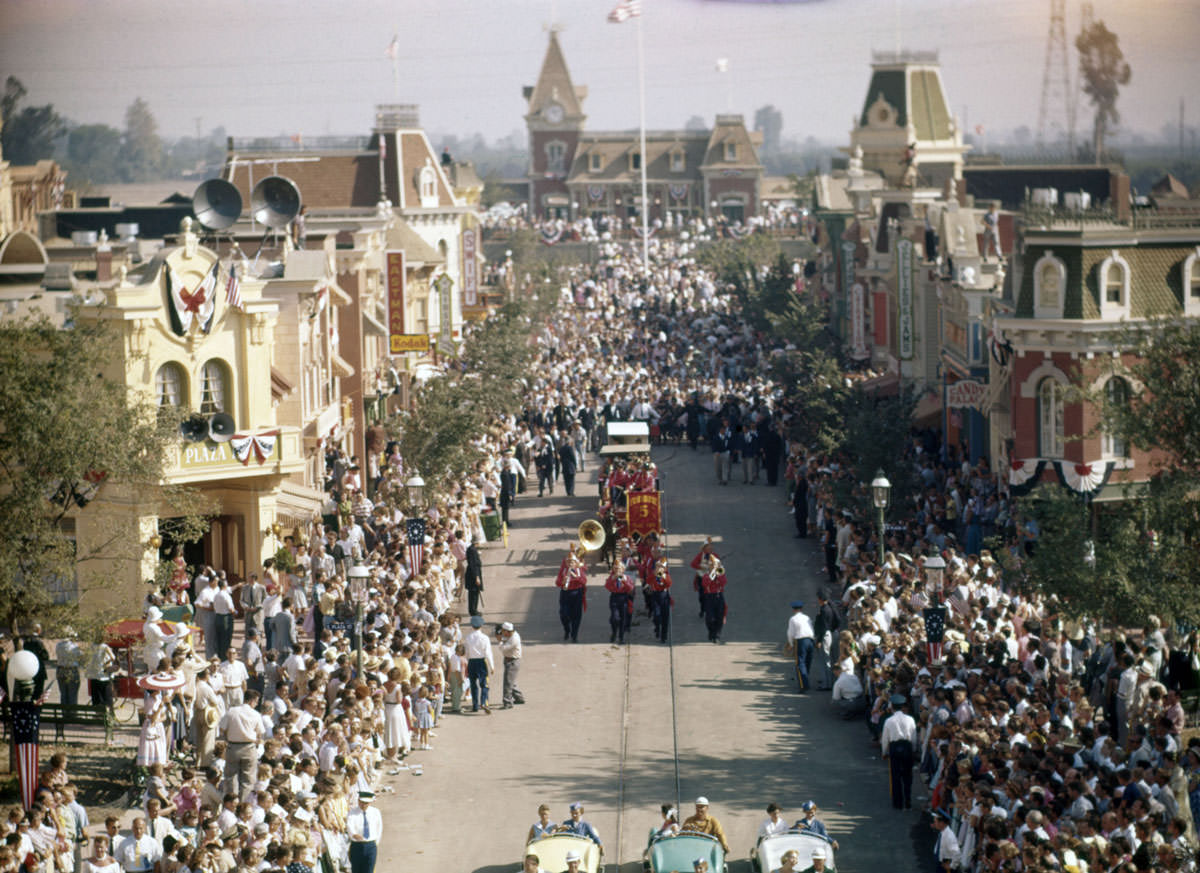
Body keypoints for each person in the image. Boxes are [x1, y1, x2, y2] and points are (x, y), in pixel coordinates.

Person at [220, 688, 265, 799]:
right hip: (249, 747)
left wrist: (228, 737)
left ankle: (232, 802)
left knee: (231, 778)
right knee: (248, 780)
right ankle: (243, 804)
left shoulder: (232, 711)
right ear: (252, 701)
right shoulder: (256, 714)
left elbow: (222, 728)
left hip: (233, 747)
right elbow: (260, 733)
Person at [880, 693, 918, 810]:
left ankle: (898, 803)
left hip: (894, 747)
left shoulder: (889, 721)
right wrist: (913, 750)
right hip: (906, 746)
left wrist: (884, 752)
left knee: (895, 777)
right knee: (907, 776)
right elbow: (913, 736)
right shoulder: (910, 719)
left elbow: (885, 738)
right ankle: (908, 801)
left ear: (892, 707)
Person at [556, 547, 588, 643]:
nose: (570, 564)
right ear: (566, 563)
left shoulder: (579, 571)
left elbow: (584, 581)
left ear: (576, 564)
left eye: (572, 562)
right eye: (568, 562)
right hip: (565, 593)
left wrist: (576, 577)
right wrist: (563, 581)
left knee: (576, 616)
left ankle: (574, 635)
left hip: (577, 593)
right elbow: (557, 583)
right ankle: (567, 630)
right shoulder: (563, 572)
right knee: (563, 614)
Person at [464, 614, 494, 713]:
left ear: (472, 626)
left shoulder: (468, 637)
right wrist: (491, 665)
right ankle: (484, 702)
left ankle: (475, 705)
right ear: (481, 626)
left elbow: (467, 652)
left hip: (472, 662)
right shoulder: (485, 638)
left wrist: (468, 661)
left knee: (473, 684)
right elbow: (488, 652)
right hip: (481, 661)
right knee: (484, 684)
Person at [347, 790, 382, 873]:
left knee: (369, 870)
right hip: (357, 845)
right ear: (358, 801)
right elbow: (349, 825)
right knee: (356, 870)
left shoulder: (375, 812)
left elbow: (379, 828)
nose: (363, 805)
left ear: (370, 803)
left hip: (371, 845)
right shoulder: (352, 812)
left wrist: (375, 843)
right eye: (362, 802)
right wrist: (354, 834)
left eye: (366, 803)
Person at [785, 601, 815, 692]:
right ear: (801, 609)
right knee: (807, 662)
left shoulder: (793, 619)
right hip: (810, 640)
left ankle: (803, 685)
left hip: (801, 641)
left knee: (800, 663)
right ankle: (805, 679)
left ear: (793, 609)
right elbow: (812, 628)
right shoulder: (807, 617)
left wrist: (791, 644)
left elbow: (790, 633)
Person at [605, 561, 635, 645]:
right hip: (614, 598)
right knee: (615, 618)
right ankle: (614, 632)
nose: (617, 570)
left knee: (623, 619)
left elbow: (631, 588)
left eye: (619, 569)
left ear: (623, 569)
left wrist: (624, 581)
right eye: (615, 568)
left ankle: (621, 637)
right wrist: (613, 579)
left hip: (624, 598)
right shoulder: (612, 577)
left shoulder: (626, 577)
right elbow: (607, 586)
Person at [699, 559, 728, 644]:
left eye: (716, 565)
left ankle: (717, 635)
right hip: (709, 597)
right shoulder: (706, 575)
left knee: (720, 617)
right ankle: (711, 631)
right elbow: (705, 584)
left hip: (719, 596)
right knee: (709, 619)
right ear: (710, 566)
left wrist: (718, 575)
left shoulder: (721, 574)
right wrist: (713, 574)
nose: (714, 567)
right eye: (712, 565)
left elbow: (724, 582)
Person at [646, 557, 673, 644]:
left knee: (665, 617)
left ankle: (663, 636)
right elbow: (648, 581)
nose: (659, 568)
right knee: (657, 615)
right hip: (655, 595)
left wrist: (663, 576)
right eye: (658, 566)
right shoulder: (653, 574)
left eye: (662, 567)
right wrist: (654, 574)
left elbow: (669, 584)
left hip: (664, 595)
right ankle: (657, 628)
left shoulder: (666, 575)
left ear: (665, 569)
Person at [55, 626, 83, 706]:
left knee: (63, 694)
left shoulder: (58, 645)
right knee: (72, 694)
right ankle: (72, 714)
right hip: (72, 670)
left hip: (60, 669)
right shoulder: (74, 646)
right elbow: (80, 656)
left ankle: (65, 714)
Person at [498, 621, 524, 708]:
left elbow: (503, 648)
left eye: (503, 631)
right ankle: (519, 698)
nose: (502, 632)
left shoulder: (514, 639)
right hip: (509, 660)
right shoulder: (510, 635)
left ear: (507, 631)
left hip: (512, 661)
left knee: (508, 683)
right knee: (511, 682)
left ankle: (507, 702)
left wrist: (500, 640)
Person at [464, 540, 484, 617]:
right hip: (473, 575)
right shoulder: (472, 550)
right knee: (473, 594)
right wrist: (477, 577)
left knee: (475, 593)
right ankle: (473, 610)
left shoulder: (471, 549)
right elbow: (473, 565)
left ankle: (474, 609)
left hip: (473, 573)